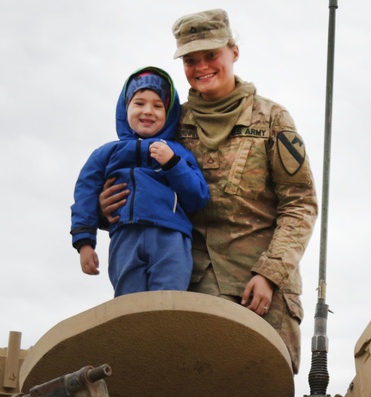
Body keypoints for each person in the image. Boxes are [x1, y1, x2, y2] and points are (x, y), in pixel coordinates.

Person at [100, 9, 317, 373]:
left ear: (233, 51)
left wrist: (270, 274)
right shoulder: (171, 122)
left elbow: (300, 204)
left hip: (260, 294)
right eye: (190, 59)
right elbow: (138, 184)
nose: (201, 67)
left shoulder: (271, 119)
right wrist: (105, 210)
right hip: (190, 287)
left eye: (211, 55)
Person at [72, 67, 210, 297]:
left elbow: (198, 197)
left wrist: (172, 164)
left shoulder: (178, 153)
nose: (148, 111)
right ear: (125, 108)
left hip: (171, 238)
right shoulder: (105, 153)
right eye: (139, 103)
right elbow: (85, 195)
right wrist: (84, 243)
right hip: (125, 237)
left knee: (169, 302)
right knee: (129, 304)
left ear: (169, 114)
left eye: (158, 106)